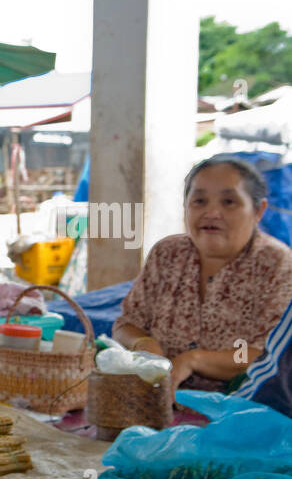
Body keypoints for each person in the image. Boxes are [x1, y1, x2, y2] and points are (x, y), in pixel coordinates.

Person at [113, 155, 292, 391]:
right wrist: (143, 343)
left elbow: (259, 355)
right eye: (199, 201)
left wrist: (193, 361)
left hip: (237, 410)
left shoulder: (276, 264)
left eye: (228, 202)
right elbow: (126, 324)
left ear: (258, 210)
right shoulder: (167, 253)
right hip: (157, 401)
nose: (212, 213)